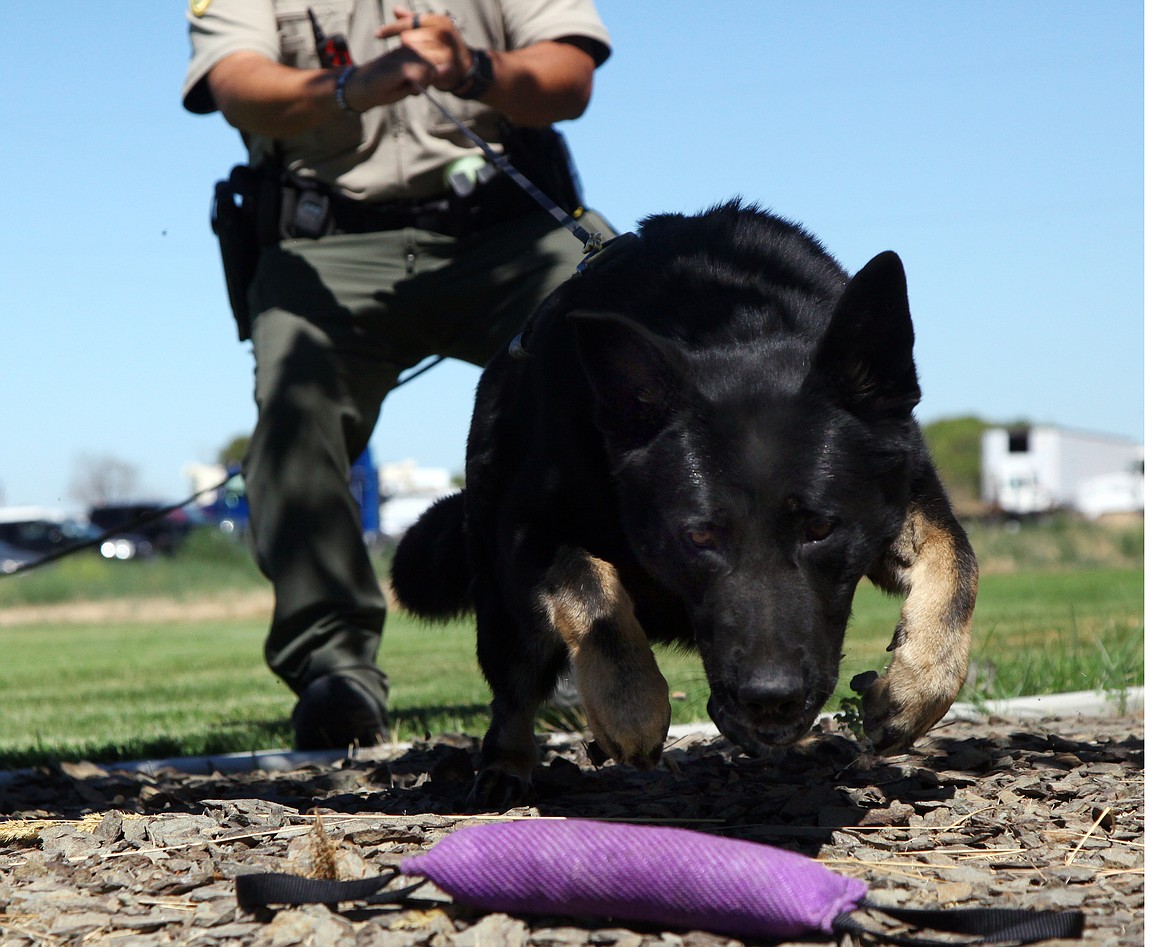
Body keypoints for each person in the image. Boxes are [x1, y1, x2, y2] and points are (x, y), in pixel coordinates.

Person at [182, 0, 615, 750]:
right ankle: (334, 670)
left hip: (504, 230)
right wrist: (350, 88)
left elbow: (568, 79)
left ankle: (589, 626)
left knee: (612, 347)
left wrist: (473, 69)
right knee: (293, 415)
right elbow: (236, 85)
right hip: (326, 245)